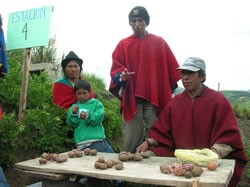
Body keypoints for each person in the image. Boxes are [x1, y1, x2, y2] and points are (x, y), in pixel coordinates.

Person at [136, 57, 248, 187]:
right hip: (181, 160)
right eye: (183, 73)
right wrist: (149, 142)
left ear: (202, 77)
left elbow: (229, 136)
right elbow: (162, 131)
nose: (185, 77)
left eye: (190, 73)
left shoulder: (218, 101)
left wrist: (210, 155)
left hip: (208, 162)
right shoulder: (175, 103)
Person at [109, 6, 181, 153]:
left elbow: (170, 69)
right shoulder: (123, 45)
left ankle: (156, 170)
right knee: (130, 141)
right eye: (133, 21)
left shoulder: (159, 42)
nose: (137, 24)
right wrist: (121, 77)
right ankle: (130, 171)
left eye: (140, 20)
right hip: (132, 98)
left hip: (155, 98)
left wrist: (168, 91)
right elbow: (116, 70)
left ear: (146, 22)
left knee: (157, 138)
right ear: (129, 23)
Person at [66, 79, 114, 153]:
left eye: (84, 93)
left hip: (96, 141)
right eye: (79, 93)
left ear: (89, 93)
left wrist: (88, 116)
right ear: (75, 94)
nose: (82, 96)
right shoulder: (73, 108)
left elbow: (99, 117)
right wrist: (74, 114)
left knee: (111, 160)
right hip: (81, 144)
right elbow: (71, 123)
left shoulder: (96, 104)